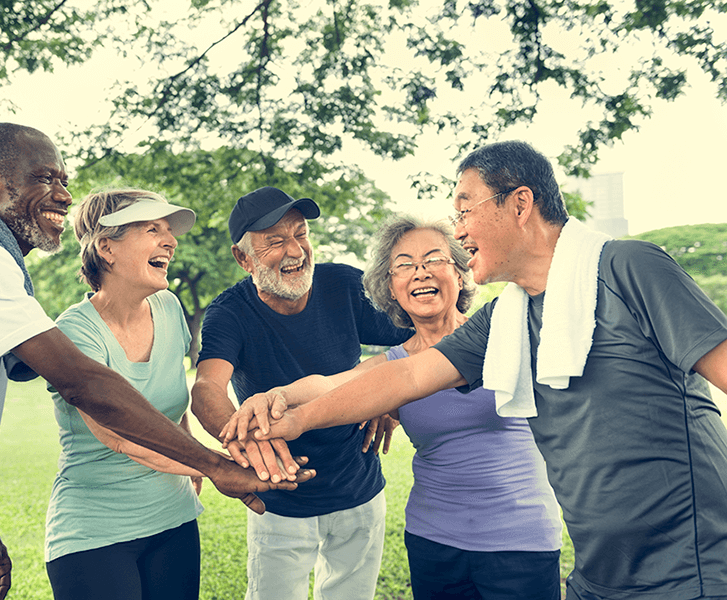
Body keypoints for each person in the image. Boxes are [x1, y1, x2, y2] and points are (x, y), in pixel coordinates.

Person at [0, 123, 311, 600]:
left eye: (63, 180)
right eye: (43, 178)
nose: (62, 194)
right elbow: (83, 383)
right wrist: (214, 466)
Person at [231, 141, 727, 600]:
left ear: (519, 203)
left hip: (690, 568)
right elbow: (402, 377)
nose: (460, 231)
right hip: (597, 575)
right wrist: (289, 414)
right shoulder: (507, 318)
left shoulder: (628, 267)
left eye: (465, 211)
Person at [225, 215, 563, 599]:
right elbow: (331, 384)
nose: (419, 273)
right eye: (404, 265)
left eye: (433, 260)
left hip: (519, 542)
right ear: (391, 287)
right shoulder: (394, 363)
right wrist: (275, 396)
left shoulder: (503, 333)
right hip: (433, 540)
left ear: (460, 271)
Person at [191, 186, 411, 600]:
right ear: (243, 258)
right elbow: (206, 389)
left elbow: (425, 334)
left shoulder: (345, 285)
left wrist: (391, 400)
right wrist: (248, 444)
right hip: (280, 500)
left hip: (359, 490)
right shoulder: (229, 312)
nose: (295, 250)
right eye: (274, 241)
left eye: (301, 233)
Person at [43, 188, 211, 600]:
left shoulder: (169, 308)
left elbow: (170, 408)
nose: (170, 241)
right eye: (152, 229)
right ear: (106, 247)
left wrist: (189, 460)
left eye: (169, 231)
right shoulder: (75, 332)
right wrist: (213, 465)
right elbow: (119, 435)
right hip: (94, 532)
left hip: (174, 518)